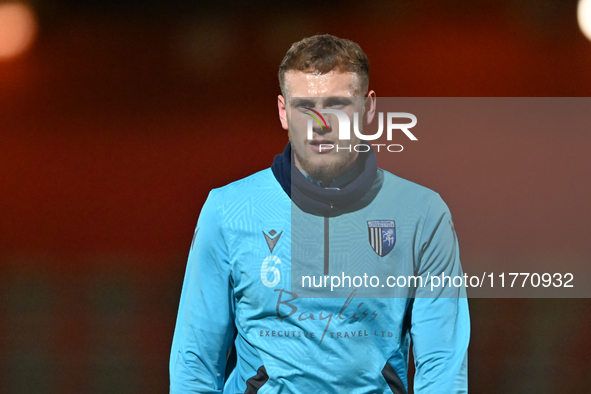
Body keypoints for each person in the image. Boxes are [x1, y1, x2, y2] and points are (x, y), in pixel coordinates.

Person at [170, 34, 469, 393]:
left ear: (368, 109)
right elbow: (195, 361)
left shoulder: (422, 214)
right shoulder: (227, 210)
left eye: (337, 105)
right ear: (283, 111)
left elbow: (443, 368)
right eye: (304, 106)